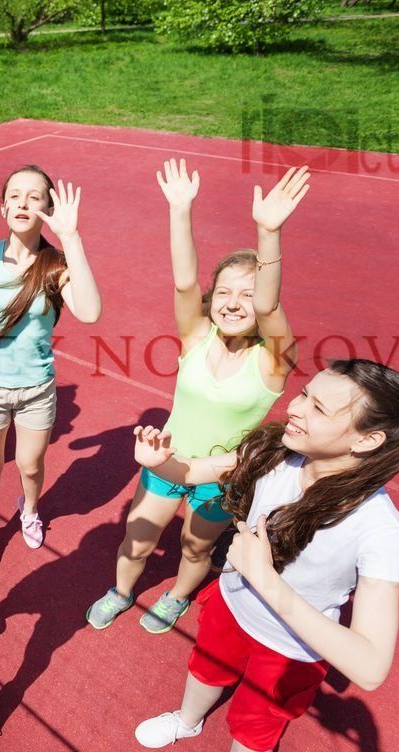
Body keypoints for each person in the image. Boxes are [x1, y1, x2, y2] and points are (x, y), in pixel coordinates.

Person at [128, 360, 399, 751]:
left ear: (367, 440)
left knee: (256, 726)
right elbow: (191, 472)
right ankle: (187, 722)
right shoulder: (275, 453)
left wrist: (264, 579)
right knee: (205, 669)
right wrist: (161, 463)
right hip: (232, 606)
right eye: (305, 394)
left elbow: (371, 668)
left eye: (318, 409)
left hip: (290, 648)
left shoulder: (381, 529)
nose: (294, 407)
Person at [87, 161, 310, 633]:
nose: (233, 302)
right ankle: (121, 592)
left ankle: (175, 595)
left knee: (195, 547)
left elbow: (270, 306)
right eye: (224, 291)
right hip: (167, 460)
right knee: (137, 538)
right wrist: (179, 209)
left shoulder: (273, 361)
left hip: (221, 474)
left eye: (246, 295)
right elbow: (185, 282)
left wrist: (268, 233)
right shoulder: (196, 336)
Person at [0, 164, 101, 574]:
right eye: (16, 195)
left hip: (36, 391)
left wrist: (72, 236)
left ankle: (29, 510)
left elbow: (91, 312)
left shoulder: (56, 265)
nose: (24, 202)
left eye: (35, 196)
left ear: (48, 207)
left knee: (30, 465)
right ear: (3, 205)